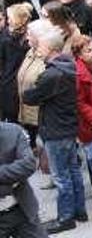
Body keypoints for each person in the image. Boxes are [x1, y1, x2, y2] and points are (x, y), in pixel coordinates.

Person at [22, 18, 88, 235]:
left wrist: (30, 88)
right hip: (67, 127)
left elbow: (30, 96)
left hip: (56, 129)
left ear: (49, 48)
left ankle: (65, 217)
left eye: (40, 45)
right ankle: (80, 211)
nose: (37, 48)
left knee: (61, 176)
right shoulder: (66, 65)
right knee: (73, 171)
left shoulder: (52, 74)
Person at [0, 4, 33, 124]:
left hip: (25, 81)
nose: (7, 21)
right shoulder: (5, 39)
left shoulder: (30, 37)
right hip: (9, 85)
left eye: (9, 18)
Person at [16, 20, 44, 148]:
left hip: (39, 118)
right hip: (26, 112)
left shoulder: (45, 57)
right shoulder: (30, 52)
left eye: (29, 34)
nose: (26, 37)